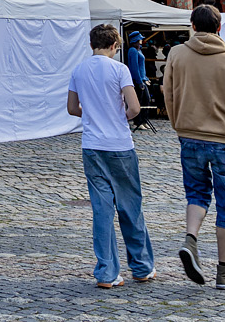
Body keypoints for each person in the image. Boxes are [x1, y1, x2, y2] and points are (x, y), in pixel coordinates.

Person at [162, 4, 225, 290]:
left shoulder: (176, 54)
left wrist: (179, 123)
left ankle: (191, 239)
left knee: (197, 193)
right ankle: (224, 272)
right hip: (224, 140)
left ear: (192, 25)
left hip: (189, 136)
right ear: (219, 28)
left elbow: (168, 92)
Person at [68, 23, 155, 288]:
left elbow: (72, 108)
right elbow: (134, 107)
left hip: (92, 146)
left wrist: (94, 115)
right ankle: (141, 267)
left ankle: (106, 272)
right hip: (119, 145)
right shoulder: (120, 69)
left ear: (92, 44)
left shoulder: (79, 69)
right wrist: (118, 117)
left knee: (101, 210)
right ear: (115, 46)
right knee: (130, 207)